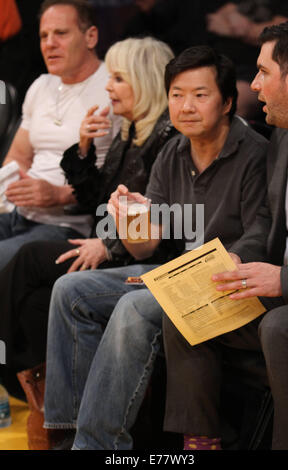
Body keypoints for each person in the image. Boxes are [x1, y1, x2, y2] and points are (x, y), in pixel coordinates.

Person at [43, 45, 269, 450]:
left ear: (228, 102)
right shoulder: (172, 151)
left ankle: (97, 445)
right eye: (177, 95)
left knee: (133, 306)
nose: (186, 106)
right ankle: (67, 431)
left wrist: (224, 260)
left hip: (228, 281)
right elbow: (146, 248)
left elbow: (261, 234)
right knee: (71, 291)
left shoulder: (254, 154)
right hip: (177, 276)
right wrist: (130, 218)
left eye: (200, 95)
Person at [0, 35, 175, 378]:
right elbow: (95, 201)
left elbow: (162, 219)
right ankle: (34, 391)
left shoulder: (165, 140)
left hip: (136, 259)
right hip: (108, 245)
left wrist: (109, 245)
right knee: (36, 302)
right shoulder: (130, 133)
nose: (108, 87)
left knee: (30, 259)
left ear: (145, 80)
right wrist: (84, 147)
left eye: (118, 78)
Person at [210, 19, 288, 450]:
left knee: (281, 326)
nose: (256, 85)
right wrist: (238, 259)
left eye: (264, 72)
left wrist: (283, 279)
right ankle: (200, 443)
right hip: (283, 289)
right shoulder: (282, 137)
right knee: (191, 309)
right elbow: (266, 220)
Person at [0, 0, 120, 271]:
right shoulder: (41, 85)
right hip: (18, 214)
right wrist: (14, 182)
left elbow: (123, 176)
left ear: (91, 36)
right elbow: (18, 155)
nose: (49, 44)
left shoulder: (114, 87)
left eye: (61, 33)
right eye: (43, 36)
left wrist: (60, 194)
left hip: (68, 225)